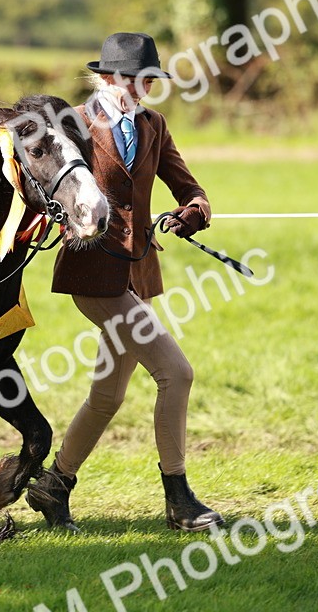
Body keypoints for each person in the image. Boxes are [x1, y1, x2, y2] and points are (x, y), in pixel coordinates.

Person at [26, 32, 224, 532]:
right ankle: (179, 500)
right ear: (108, 77)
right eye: (137, 78)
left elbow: (188, 186)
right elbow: (43, 184)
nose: (145, 87)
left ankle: (53, 487)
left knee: (107, 398)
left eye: (151, 79)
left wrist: (192, 212)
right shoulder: (71, 123)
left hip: (138, 272)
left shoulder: (153, 125)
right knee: (176, 373)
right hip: (93, 274)